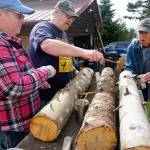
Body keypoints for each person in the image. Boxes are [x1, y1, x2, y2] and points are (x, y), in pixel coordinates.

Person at [0, 0, 56, 149]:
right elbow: (14, 87)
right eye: (19, 15)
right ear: (0, 14)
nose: (23, 20)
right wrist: (46, 71)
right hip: (14, 131)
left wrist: (37, 81)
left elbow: (21, 74)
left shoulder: (11, 42)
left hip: (27, 123)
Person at [29, 0, 104, 106]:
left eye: (73, 18)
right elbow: (47, 45)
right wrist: (84, 52)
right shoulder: (43, 27)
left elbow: (63, 58)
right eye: (68, 16)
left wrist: (74, 71)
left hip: (64, 94)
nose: (71, 20)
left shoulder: (63, 34)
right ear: (55, 12)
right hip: (45, 97)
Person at [125, 18, 150, 101]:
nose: (142, 35)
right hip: (139, 89)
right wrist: (138, 78)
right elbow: (129, 69)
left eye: (145, 32)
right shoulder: (133, 47)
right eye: (140, 32)